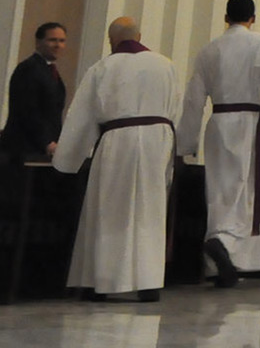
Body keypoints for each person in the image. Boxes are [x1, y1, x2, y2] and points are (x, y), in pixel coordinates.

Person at [51, 18, 178, 301]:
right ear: (140, 36)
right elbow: (174, 109)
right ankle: (147, 283)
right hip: (157, 143)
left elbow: (81, 116)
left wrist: (66, 161)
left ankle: (102, 281)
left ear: (112, 41)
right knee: (149, 212)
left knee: (110, 210)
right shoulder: (165, 64)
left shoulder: (102, 68)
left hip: (116, 142)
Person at [177, 0, 260, 287]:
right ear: (253, 18)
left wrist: (185, 142)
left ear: (226, 18)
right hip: (252, 123)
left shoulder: (209, 50)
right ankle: (226, 246)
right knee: (247, 188)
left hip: (219, 123)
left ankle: (219, 258)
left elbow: (194, 99)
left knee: (220, 188)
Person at [3, 22, 67, 161]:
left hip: (43, 150)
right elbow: (27, 111)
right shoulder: (28, 69)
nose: (58, 45)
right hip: (24, 150)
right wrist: (47, 142)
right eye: (52, 40)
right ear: (38, 42)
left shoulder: (50, 71)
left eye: (62, 41)